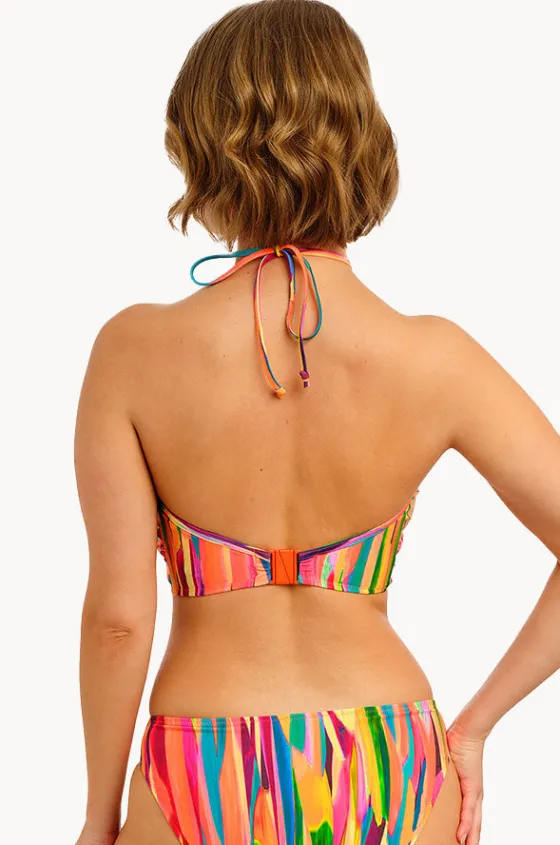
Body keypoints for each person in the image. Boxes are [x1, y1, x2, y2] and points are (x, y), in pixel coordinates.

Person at [72, 2, 560, 844]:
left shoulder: (133, 351)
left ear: (204, 146)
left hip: (201, 756)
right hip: (389, 755)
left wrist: (98, 815)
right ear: (361, 140)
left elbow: (119, 618)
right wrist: (474, 726)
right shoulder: (434, 356)